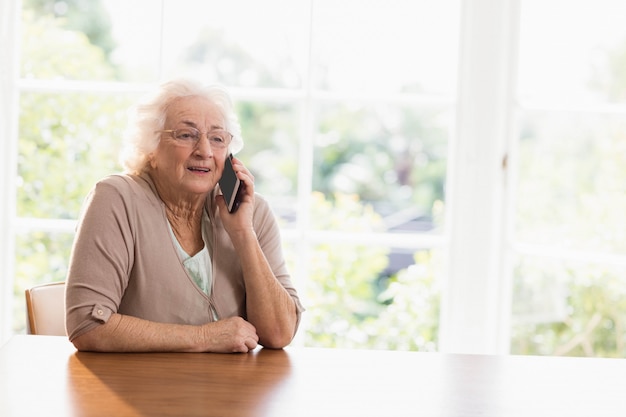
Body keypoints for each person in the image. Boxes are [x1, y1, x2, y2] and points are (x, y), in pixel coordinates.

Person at [65, 78, 304, 353]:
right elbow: (87, 325)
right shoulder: (117, 199)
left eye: (217, 139)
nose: (204, 151)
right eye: (186, 135)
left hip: (232, 392)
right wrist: (204, 337)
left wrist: (242, 234)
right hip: (137, 390)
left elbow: (279, 333)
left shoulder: (251, 211)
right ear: (150, 149)